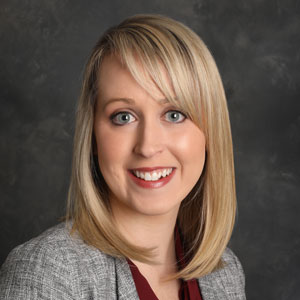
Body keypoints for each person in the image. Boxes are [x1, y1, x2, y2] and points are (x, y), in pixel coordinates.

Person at [0, 14, 246, 299]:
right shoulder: (48, 273)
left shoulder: (225, 274)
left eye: (174, 114)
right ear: (92, 136)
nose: (148, 146)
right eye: (123, 116)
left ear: (210, 134)